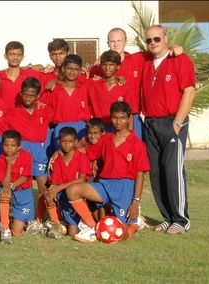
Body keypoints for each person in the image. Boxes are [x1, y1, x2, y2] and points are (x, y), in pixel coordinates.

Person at [66, 101, 149, 242]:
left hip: (124, 188)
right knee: (72, 190)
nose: (118, 121)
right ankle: (92, 228)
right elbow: (85, 151)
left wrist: (136, 202)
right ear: (111, 118)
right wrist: (60, 153)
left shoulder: (137, 144)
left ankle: (135, 223)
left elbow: (140, 174)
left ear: (129, 118)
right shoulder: (106, 139)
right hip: (104, 185)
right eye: (115, 117)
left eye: (122, 118)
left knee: (121, 235)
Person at [141, 25, 196, 235]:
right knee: (156, 173)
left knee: (173, 171)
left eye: (157, 38)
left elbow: (189, 92)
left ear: (165, 38)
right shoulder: (146, 60)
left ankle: (181, 220)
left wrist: (178, 122)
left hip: (172, 121)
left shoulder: (179, 60)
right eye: (149, 40)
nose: (153, 43)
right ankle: (167, 217)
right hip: (151, 123)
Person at [6, 77, 53, 234]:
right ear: (21, 93)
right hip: (22, 151)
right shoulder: (13, 113)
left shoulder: (44, 109)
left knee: (43, 187)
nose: (28, 98)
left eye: (32, 95)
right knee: (18, 186)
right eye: (25, 95)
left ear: (38, 96)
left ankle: (39, 220)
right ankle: (13, 216)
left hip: (39, 151)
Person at [44, 127, 91, 239]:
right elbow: (54, 179)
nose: (66, 145)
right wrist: (52, 188)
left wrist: (59, 187)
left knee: (72, 233)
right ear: (59, 142)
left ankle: (84, 223)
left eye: (70, 142)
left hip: (77, 196)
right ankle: (57, 224)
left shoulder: (81, 157)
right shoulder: (58, 160)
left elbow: (82, 179)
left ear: (75, 142)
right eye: (63, 142)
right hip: (63, 195)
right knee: (47, 192)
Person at [45, 54, 91, 155]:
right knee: (60, 158)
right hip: (61, 128)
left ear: (80, 71)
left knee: (80, 157)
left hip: (81, 128)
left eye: (76, 69)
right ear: (63, 69)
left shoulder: (85, 88)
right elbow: (47, 109)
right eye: (69, 68)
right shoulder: (54, 88)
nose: (72, 72)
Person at [0, 130, 34, 244]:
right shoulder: (0, 161)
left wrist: (11, 186)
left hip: (23, 193)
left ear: (18, 147)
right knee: (4, 193)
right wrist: (8, 165)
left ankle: (23, 221)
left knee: (16, 233)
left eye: (13, 146)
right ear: (2, 146)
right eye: (6, 145)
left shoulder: (26, 156)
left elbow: (25, 178)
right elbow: (5, 185)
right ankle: (5, 228)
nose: (9, 148)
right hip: (9, 191)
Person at [88, 50, 135, 132]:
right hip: (97, 129)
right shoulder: (93, 84)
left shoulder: (125, 87)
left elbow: (129, 114)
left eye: (111, 64)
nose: (107, 68)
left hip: (117, 129)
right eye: (104, 64)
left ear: (118, 66)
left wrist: (130, 134)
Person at [0, 41, 44, 110]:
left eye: (19, 55)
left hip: (24, 118)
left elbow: (42, 93)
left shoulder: (32, 74)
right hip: (3, 118)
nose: (15, 57)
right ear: (5, 56)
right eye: (11, 54)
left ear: (22, 57)